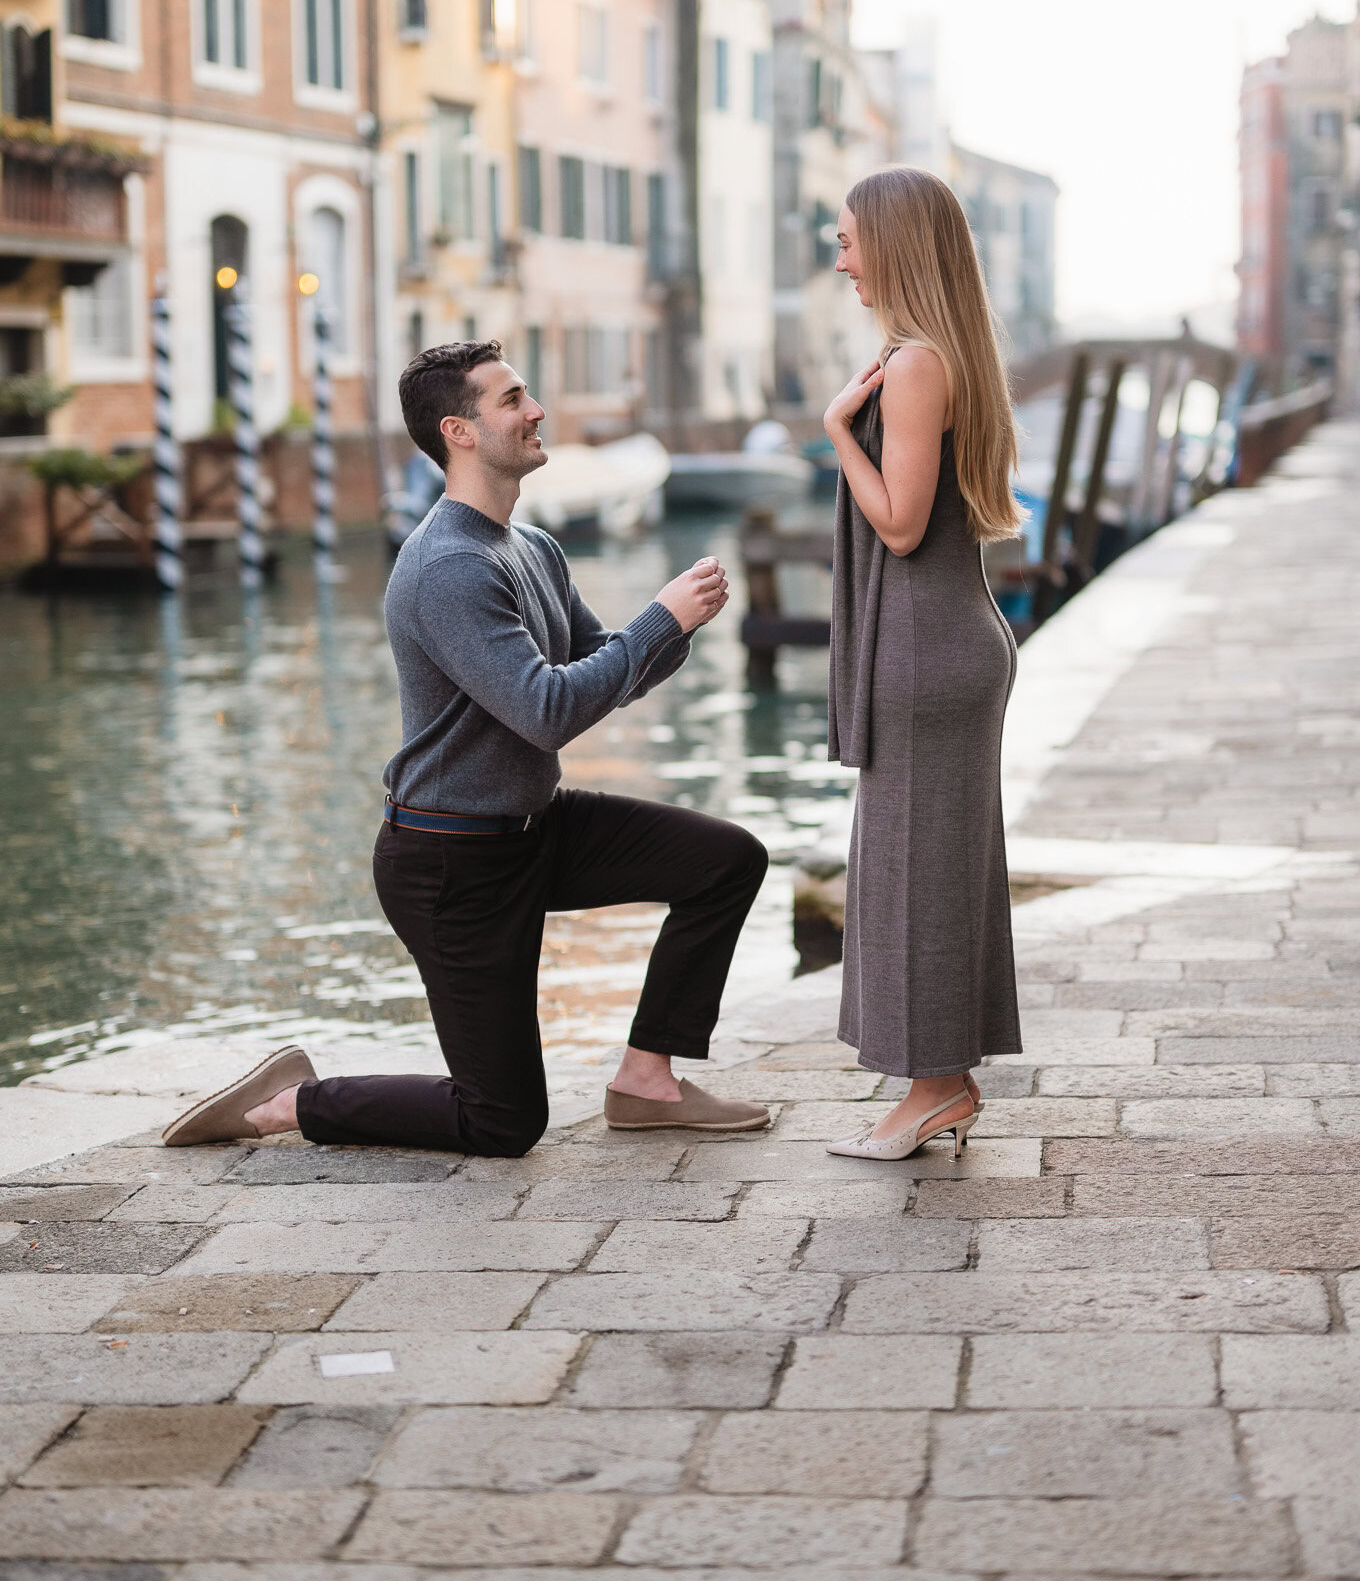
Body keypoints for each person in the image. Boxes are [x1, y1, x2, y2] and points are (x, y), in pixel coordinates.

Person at [162, 340, 772, 1155]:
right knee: (503, 1122)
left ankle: (646, 1081)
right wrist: (661, 619)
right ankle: (294, 1103)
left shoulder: (535, 548)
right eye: (513, 399)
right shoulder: (446, 566)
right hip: (451, 865)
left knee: (725, 860)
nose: (537, 410)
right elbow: (547, 712)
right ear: (458, 430)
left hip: (535, 828)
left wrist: (675, 626)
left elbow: (601, 674)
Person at [821, 167, 1023, 1163]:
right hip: (944, 639)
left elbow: (898, 526)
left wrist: (834, 438)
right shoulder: (938, 355)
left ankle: (936, 1085)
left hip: (925, 649)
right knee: (928, 870)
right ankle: (937, 1079)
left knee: (917, 874)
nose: (841, 256)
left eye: (850, 238)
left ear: (894, 246)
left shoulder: (914, 366)